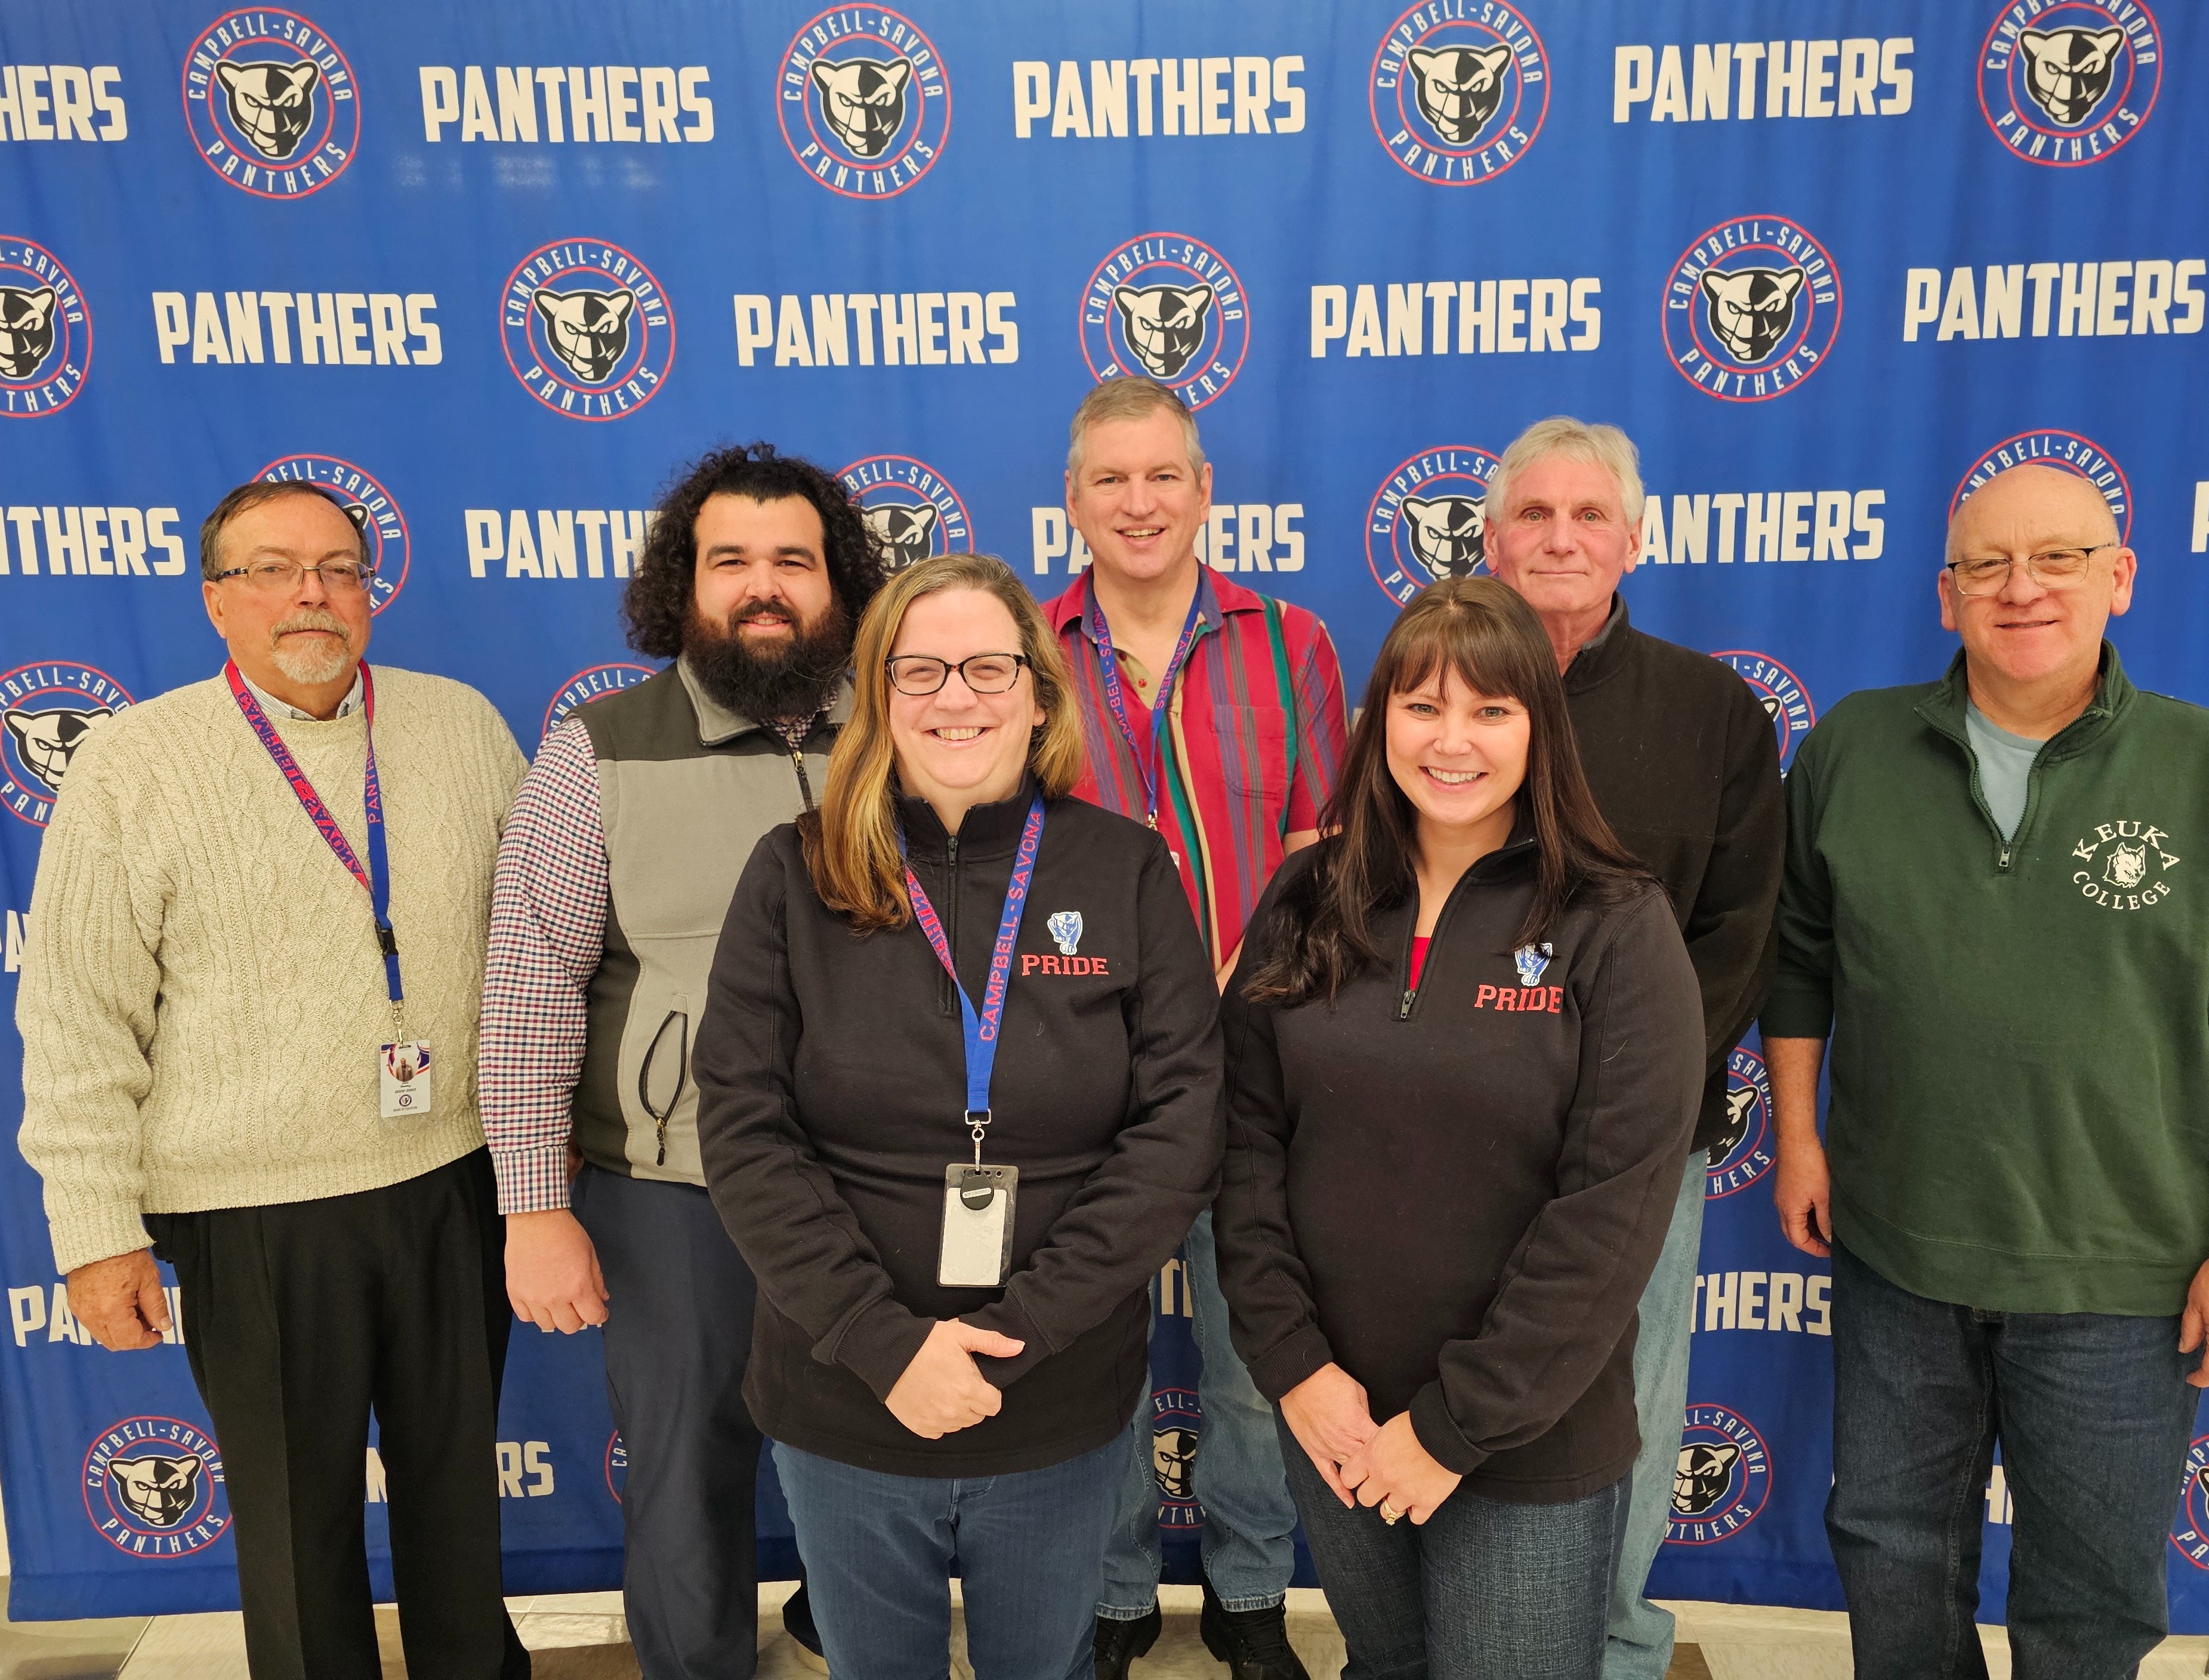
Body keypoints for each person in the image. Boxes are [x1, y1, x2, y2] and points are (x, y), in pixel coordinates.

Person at [1764, 464, 2209, 1679]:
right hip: (1896, 1254)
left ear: (2119, 577)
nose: (2019, 587)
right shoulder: (1852, 748)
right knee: (1889, 1559)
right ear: (1945, 596)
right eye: (1985, 564)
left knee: (2090, 1604)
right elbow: (1798, 960)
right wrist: (1801, 1141)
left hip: (2122, 1275)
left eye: (2058, 558)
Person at [16, 481, 530, 1679]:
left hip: (455, 1176)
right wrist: (95, 1230)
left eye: (339, 568)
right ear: (215, 600)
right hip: (255, 1213)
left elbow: (539, 952)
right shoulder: (135, 764)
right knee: (298, 1530)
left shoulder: (459, 726)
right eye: (273, 570)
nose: (312, 594)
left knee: (460, 1501)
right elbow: (77, 1016)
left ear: (369, 592)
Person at [694, 551, 1224, 1680]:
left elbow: (1179, 1128)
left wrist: (1017, 1334)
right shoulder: (792, 872)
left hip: (1055, 1393)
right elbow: (744, 1130)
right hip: (846, 1391)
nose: (955, 697)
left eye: (988, 667)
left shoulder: (1126, 870)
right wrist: (885, 1346)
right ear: (878, 695)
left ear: (1037, 693)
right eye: (920, 669)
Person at [1218, 578, 1705, 1680]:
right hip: (1336, 1417)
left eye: (1490, 710)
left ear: (1540, 729)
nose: (1451, 741)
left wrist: (1453, 1428)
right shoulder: (1304, 896)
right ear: (1379, 720)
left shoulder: (1614, 923)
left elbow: (1613, 1210)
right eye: (1422, 707)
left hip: (1519, 1440)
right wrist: (1295, 1368)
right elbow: (1243, 1148)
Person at [480, 444, 881, 1676]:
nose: (764, 588)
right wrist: (532, 1204)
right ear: (683, 584)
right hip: (675, 1190)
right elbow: (530, 987)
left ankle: (853, 1642)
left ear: (838, 583)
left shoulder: (905, 730)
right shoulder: (596, 751)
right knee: (682, 1476)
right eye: (730, 562)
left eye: (793, 561)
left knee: (879, 1460)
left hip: (881, 1179)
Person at [1050, 376, 1345, 1680]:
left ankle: (1250, 1592)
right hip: (1082, 1070)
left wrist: (1238, 987)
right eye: (1110, 479)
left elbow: (1321, 857)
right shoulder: (1023, 651)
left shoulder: (1293, 643)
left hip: (1255, 1060)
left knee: (1254, 1349)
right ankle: (1110, 1594)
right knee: (1091, 1354)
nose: (1139, 502)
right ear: (1072, 500)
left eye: (1162, 474)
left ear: (1204, 489)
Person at [1480, 416, 1784, 1680]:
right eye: (1534, 515)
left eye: (1588, 515)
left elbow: (1741, 931)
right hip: (1458, 1129)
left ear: (1634, 541)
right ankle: (1467, 1633)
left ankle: (1609, 1641)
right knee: (1450, 1379)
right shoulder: (1433, 689)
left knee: (1635, 1397)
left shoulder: (1712, 710)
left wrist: (1624, 1096)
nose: (1561, 538)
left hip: (1643, 1139)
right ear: (1489, 540)